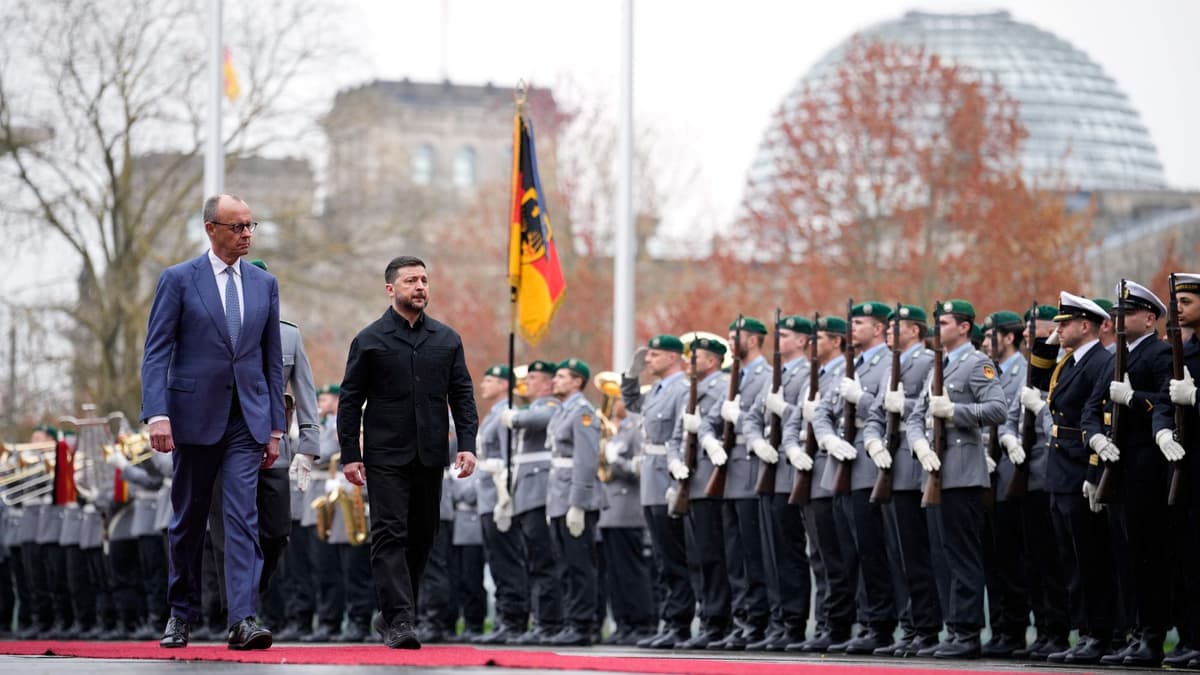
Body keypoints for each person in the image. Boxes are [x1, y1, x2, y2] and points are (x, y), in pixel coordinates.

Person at [140, 193, 285, 650]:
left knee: (243, 517)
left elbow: (271, 359)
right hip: (193, 418)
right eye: (237, 227)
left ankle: (242, 618)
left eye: (250, 226)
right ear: (211, 229)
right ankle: (180, 613)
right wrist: (157, 413)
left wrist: (276, 427)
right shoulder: (180, 280)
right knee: (189, 518)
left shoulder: (265, 285)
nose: (246, 234)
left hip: (247, 418)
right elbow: (157, 352)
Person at [336, 255, 478, 650]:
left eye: (424, 280)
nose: (420, 287)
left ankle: (394, 611)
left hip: (431, 455)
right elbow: (350, 401)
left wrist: (467, 445)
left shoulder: (447, 340)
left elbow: (462, 396)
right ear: (391, 289)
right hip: (385, 457)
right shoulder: (369, 340)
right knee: (390, 533)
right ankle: (400, 619)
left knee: (422, 537)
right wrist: (350, 453)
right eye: (411, 281)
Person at [620, 335, 695, 649]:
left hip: (668, 476)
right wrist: (630, 376)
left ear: (673, 357)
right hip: (651, 478)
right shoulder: (657, 391)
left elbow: (681, 438)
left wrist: (678, 483)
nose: (648, 360)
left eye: (654, 355)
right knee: (663, 558)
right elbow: (633, 404)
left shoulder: (682, 389)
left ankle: (680, 624)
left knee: (676, 555)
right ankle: (670, 620)